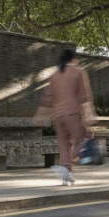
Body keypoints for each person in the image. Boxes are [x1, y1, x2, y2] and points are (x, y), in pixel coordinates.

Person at [37, 49, 95, 186]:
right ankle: (73, 162)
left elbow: (47, 98)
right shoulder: (78, 72)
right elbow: (83, 96)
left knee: (64, 144)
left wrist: (40, 115)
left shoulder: (55, 75)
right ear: (73, 59)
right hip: (73, 113)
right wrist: (89, 113)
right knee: (82, 139)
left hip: (59, 115)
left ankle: (65, 173)